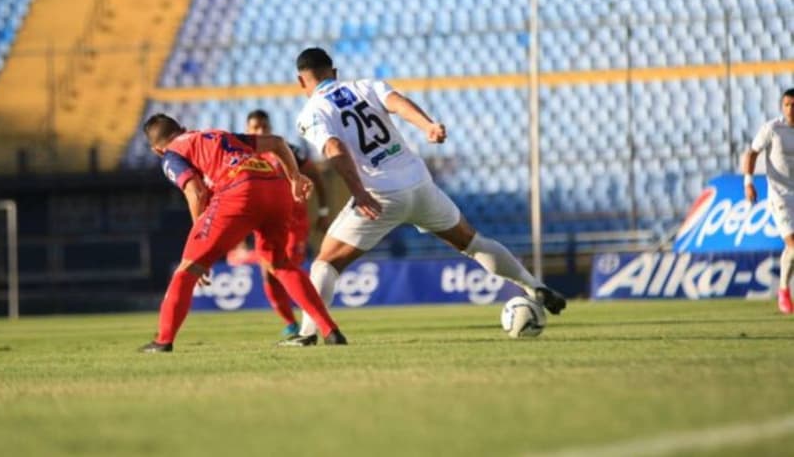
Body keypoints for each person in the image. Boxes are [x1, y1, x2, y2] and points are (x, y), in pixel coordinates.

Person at [283, 48, 566, 346]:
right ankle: (533, 285)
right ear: (335, 72)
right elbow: (398, 104)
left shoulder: (311, 112)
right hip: (419, 183)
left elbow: (335, 150)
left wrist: (358, 192)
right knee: (472, 242)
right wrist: (428, 125)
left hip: (380, 194)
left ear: (301, 82)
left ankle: (308, 334)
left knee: (325, 264)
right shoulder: (365, 86)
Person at [138, 113, 347, 352]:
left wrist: (200, 238)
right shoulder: (220, 134)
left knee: (187, 269)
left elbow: (195, 192)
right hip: (276, 189)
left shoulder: (171, 155)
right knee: (279, 263)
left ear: (156, 150)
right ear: (183, 127)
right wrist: (294, 177)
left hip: (238, 190)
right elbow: (278, 143)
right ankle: (330, 331)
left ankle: (163, 340)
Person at [240, 109, 331, 339]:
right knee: (268, 275)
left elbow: (315, 175)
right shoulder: (242, 154)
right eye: (255, 128)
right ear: (247, 130)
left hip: (293, 223)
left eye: (264, 127)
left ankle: (312, 324)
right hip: (265, 224)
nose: (260, 131)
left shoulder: (287, 149)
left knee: (286, 269)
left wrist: (323, 209)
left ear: (270, 128)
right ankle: (291, 323)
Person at [743, 88, 794, 314]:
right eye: (787, 105)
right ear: (782, 107)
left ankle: (783, 288)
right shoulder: (772, 129)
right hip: (780, 195)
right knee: (793, 244)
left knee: (791, 250)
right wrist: (748, 182)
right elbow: (752, 153)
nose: (791, 109)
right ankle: (784, 290)